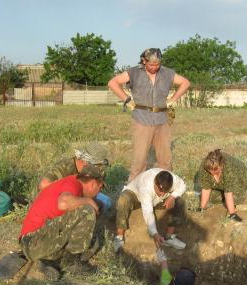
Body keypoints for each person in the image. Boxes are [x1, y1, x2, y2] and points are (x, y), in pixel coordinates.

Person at [108, 48, 190, 182]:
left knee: (165, 159)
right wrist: (127, 99)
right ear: (144, 61)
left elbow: (185, 83)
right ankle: (133, 190)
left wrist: (174, 98)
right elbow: (112, 83)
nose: (154, 67)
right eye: (151, 65)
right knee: (139, 160)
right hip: (141, 118)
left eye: (157, 64)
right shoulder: (133, 72)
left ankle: (166, 188)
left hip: (162, 118)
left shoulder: (167, 73)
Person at [19, 165, 104, 280]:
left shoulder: (72, 184)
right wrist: (88, 200)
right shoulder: (73, 184)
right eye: (100, 187)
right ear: (93, 183)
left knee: (93, 243)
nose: (99, 192)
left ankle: (49, 261)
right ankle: (72, 263)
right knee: (86, 210)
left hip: (38, 242)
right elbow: (63, 203)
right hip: (31, 242)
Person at [114, 168, 187, 252]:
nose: (162, 193)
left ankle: (169, 237)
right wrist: (155, 233)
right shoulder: (145, 185)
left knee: (179, 202)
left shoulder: (172, 179)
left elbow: (183, 185)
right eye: (160, 190)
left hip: (158, 201)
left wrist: (172, 196)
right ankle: (119, 237)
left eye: (165, 191)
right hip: (136, 196)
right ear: (155, 183)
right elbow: (148, 212)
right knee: (123, 200)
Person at [38, 141, 111, 213]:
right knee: (88, 208)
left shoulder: (87, 170)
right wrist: (75, 197)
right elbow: (44, 184)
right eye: (97, 166)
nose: (98, 169)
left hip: (72, 197)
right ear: (85, 162)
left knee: (106, 202)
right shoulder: (66, 166)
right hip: (50, 203)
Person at [195, 149, 247, 222]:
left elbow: (228, 192)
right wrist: (201, 208)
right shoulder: (204, 166)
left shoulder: (229, 169)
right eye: (210, 171)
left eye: (215, 170)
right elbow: (206, 188)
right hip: (223, 175)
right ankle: (226, 198)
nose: (212, 173)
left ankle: (233, 206)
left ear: (221, 166)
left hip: (239, 174)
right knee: (212, 198)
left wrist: (232, 214)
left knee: (237, 198)